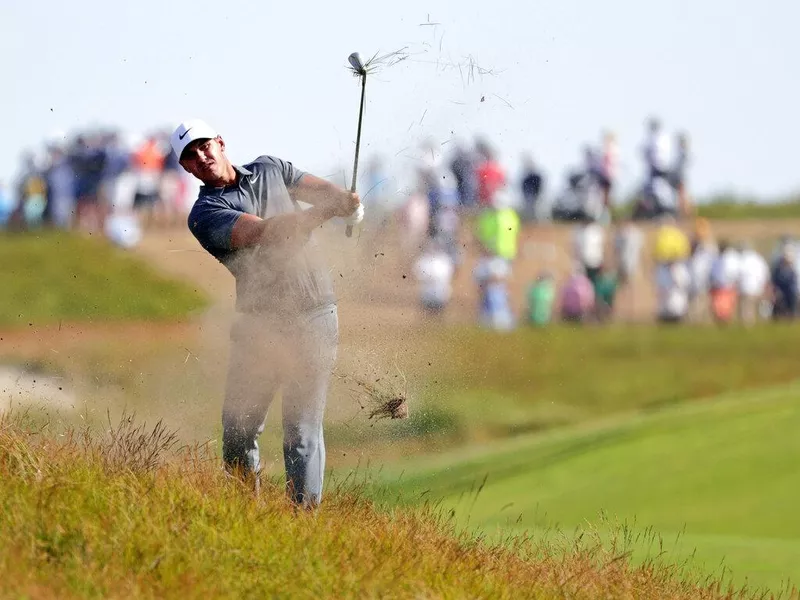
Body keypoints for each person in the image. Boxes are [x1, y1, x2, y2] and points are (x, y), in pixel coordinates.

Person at [170, 119, 362, 507]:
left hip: (313, 313)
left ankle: (302, 524)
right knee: (239, 429)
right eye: (190, 155)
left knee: (301, 430)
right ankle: (245, 512)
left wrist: (348, 204)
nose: (201, 156)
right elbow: (265, 233)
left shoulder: (270, 167)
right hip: (260, 325)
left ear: (221, 143)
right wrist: (325, 213)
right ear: (187, 168)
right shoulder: (205, 213)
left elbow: (327, 192)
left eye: (205, 146)